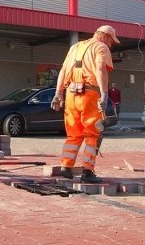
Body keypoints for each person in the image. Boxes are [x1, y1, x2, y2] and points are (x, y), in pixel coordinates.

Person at [51, 25, 119, 183]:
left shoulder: (75, 47)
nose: (111, 44)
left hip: (71, 95)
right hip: (89, 94)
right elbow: (100, 69)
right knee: (92, 134)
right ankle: (88, 171)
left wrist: (58, 93)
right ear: (104, 36)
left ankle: (66, 167)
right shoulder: (101, 47)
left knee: (74, 134)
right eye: (111, 40)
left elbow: (63, 70)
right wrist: (104, 93)